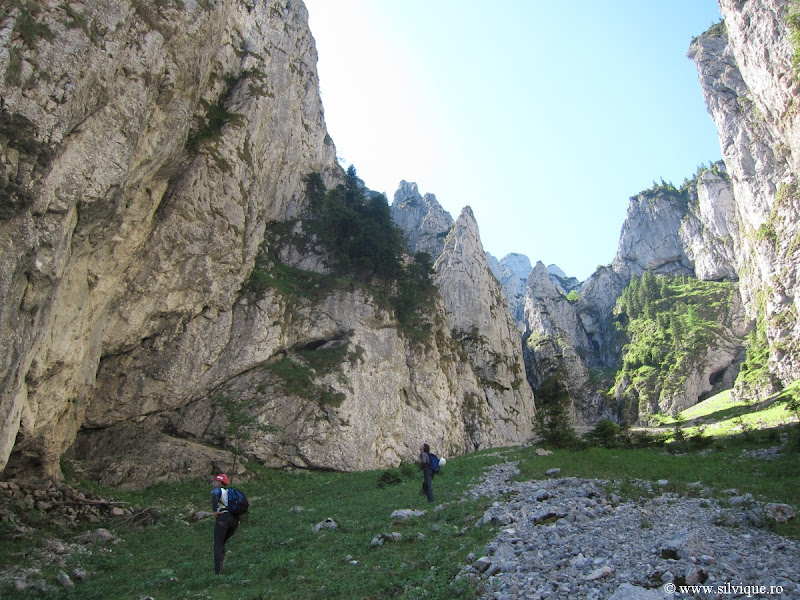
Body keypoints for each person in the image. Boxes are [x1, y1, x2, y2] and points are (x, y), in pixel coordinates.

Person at [211, 473, 239, 575]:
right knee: (222, 542)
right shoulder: (229, 492)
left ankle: (217, 572)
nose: (214, 483)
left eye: (215, 481)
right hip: (234, 520)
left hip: (223, 517)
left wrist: (215, 511)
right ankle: (221, 565)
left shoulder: (218, 490)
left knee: (217, 544)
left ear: (219, 482)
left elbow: (214, 494)